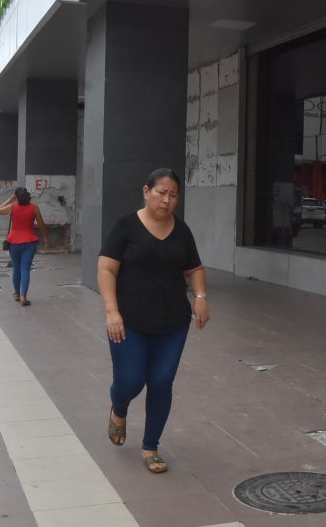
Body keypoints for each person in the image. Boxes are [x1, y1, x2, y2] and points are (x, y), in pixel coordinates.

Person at [97, 168, 209, 474]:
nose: (167, 200)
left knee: (161, 382)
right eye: (161, 193)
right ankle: (119, 408)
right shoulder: (125, 226)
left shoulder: (182, 230)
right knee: (130, 381)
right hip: (128, 321)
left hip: (172, 322)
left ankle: (150, 447)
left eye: (173, 195)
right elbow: (106, 269)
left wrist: (200, 297)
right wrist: (111, 311)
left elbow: (194, 268)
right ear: (146, 192)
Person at [0, 186, 50, 306]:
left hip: (14, 242)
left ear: (17, 197)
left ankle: (16, 293)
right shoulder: (35, 207)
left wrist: (11, 199)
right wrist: (47, 239)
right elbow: (41, 225)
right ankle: (23, 296)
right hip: (30, 242)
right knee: (25, 269)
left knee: (16, 269)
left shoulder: (12, 207)